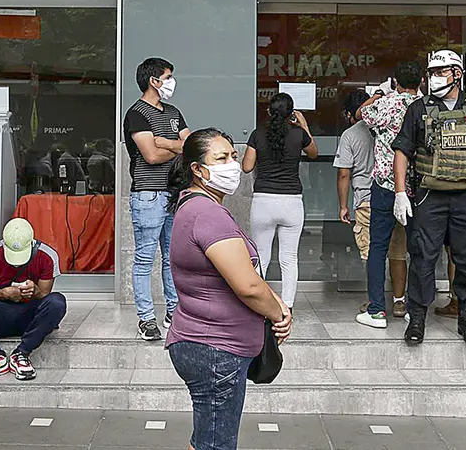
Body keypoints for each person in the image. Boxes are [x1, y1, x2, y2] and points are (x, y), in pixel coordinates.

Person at [165, 128, 292, 450]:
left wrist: (273, 298)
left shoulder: (195, 207)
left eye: (233, 156)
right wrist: (279, 313)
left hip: (206, 344)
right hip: (215, 350)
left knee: (206, 439)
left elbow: (242, 272)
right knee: (216, 444)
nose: (232, 165)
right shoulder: (208, 214)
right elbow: (248, 286)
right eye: (220, 158)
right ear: (197, 169)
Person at [392, 50, 466, 346]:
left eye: (440, 72)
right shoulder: (418, 109)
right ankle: (417, 319)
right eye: (431, 73)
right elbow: (402, 150)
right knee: (422, 259)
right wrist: (401, 192)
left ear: (457, 74)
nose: (433, 77)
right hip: (430, 196)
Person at [123, 57, 190, 341]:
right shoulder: (136, 114)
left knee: (173, 258)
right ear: (154, 81)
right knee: (144, 259)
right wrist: (173, 145)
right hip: (148, 195)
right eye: (168, 76)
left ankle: (174, 312)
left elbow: (192, 144)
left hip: (174, 194)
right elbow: (150, 156)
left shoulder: (173, 112)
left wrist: (164, 142)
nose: (172, 82)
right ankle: (146, 318)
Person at [355, 61, 424, 326]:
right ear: (421, 82)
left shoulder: (387, 104)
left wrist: (378, 94)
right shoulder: (425, 106)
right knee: (417, 249)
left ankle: (376, 310)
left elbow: (362, 113)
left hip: (385, 185)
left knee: (378, 248)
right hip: (417, 188)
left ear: (395, 80)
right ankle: (413, 308)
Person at [242, 93, 319, 310]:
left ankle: (256, 305)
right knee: (288, 258)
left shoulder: (258, 134)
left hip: (263, 202)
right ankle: (287, 306)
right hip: (292, 202)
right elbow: (313, 153)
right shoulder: (298, 135)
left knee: (261, 257)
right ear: (291, 113)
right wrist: (304, 125)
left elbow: (246, 167)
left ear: (269, 111)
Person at [0, 218, 67, 382]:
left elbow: (45, 296)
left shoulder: (47, 256)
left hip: (30, 317)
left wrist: (35, 291)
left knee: (57, 302)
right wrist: (3, 294)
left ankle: (22, 352)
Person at [333, 88, 373, 263]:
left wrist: (343, 206)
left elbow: (344, 174)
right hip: (390, 196)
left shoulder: (350, 135)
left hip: (364, 200)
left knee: (369, 253)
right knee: (395, 253)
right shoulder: (383, 127)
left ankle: (374, 289)